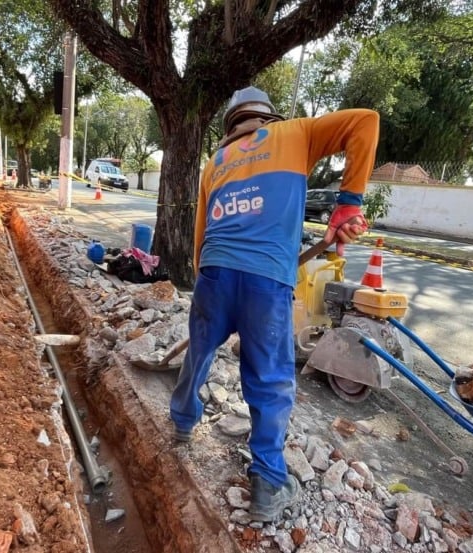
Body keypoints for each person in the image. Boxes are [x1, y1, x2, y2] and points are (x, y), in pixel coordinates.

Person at [169, 86, 378, 523]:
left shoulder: (215, 163)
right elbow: (365, 122)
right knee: (269, 377)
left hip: (214, 272)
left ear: (231, 123)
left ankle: (183, 420)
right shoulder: (295, 134)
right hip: (266, 282)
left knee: (200, 349)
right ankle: (266, 481)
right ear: (267, 116)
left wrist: (204, 282)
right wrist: (349, 203)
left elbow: (200, 234)